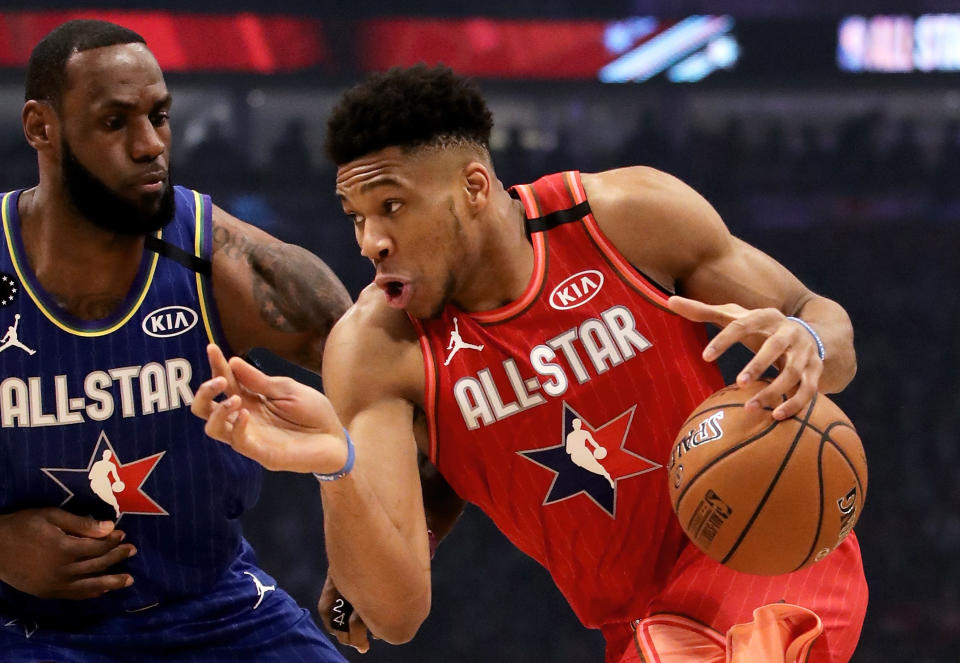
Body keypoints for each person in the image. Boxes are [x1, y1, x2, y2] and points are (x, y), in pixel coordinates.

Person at [193, 65, 868, 663]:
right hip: (637, 625)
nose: (371, 241)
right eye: (356, 216)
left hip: (773, 546)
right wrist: (333, 466)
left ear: (474, 188)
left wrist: (807, 339)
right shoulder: (376, 350)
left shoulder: (622, 219)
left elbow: (822, 317)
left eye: (391, 206)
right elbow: (394, 616)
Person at [0, 20, 354, 662]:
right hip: (25, 627)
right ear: (40, 128)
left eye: (159, 117)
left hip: (216, 609)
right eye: (115, 123)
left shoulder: (217, 259)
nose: (151, 146)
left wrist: (373, 546)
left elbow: (390, 375)